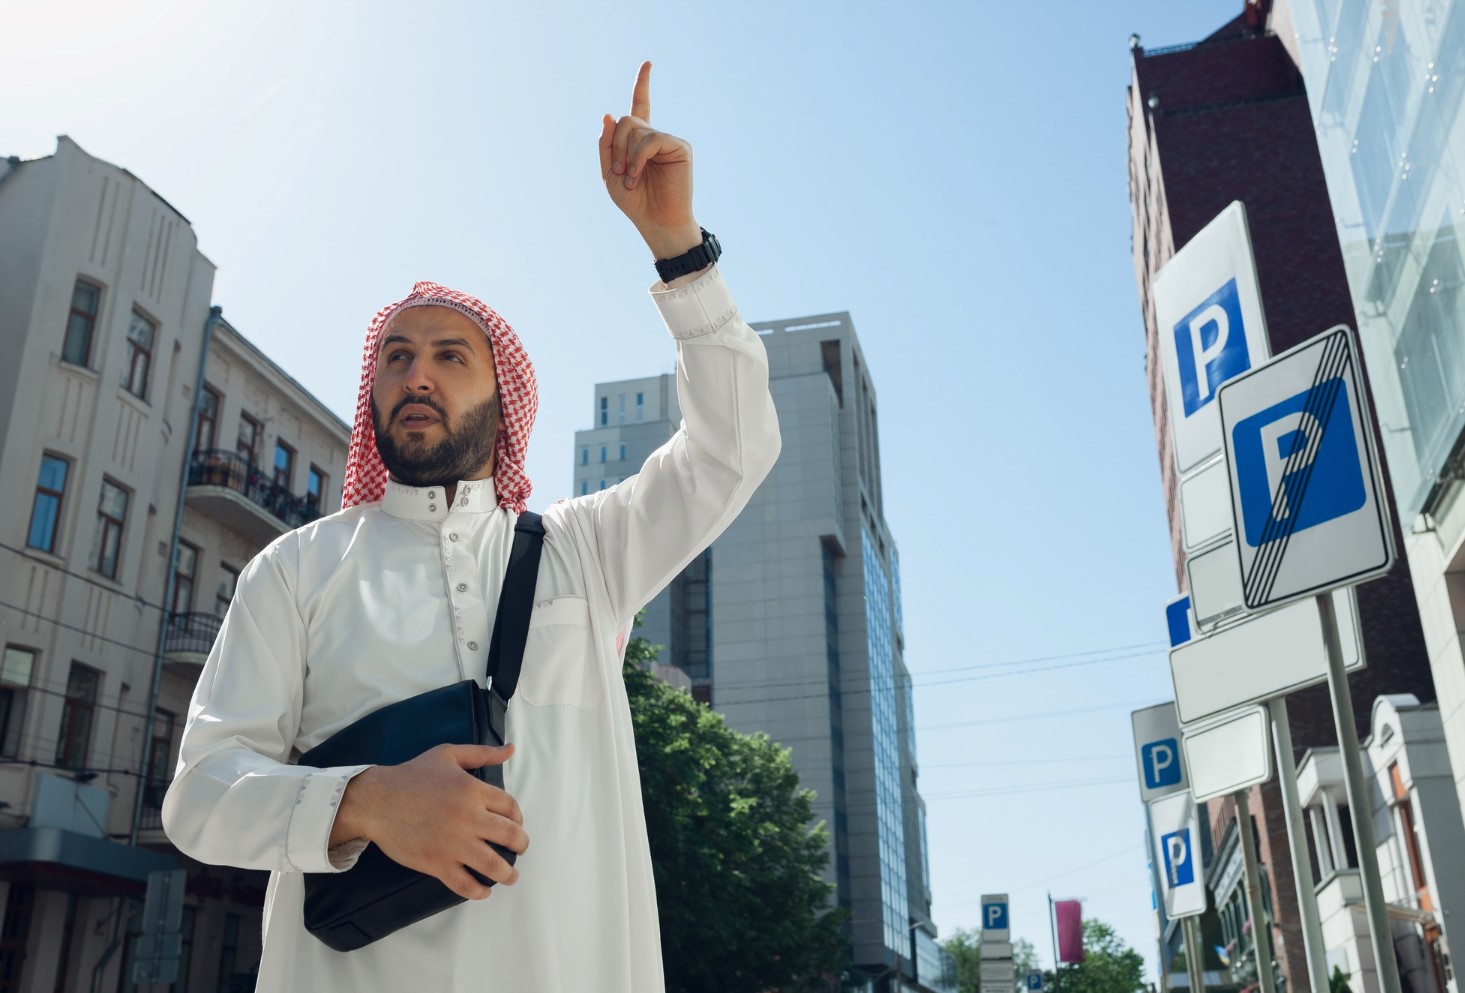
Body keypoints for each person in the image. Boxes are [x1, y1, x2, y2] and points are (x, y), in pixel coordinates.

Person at [162, 62, 781, 992]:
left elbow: (733, 449)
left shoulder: (583, 552)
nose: (418, 374)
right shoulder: (298, 570)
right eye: (398, 357)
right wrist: (364, 801)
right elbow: (198, 797)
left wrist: (678, 250)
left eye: (451, 356)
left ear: (504, 401)